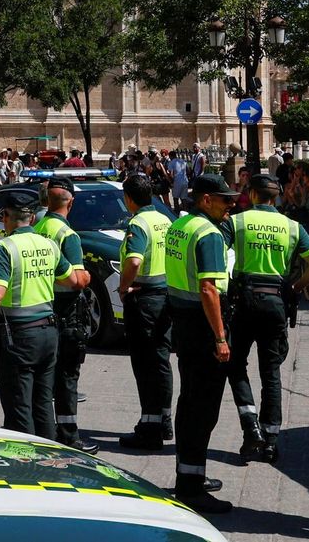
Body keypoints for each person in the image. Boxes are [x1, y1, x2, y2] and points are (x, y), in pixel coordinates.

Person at [226, 173, 309, 465]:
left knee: (235, 364)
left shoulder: (238, 221)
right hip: (276, 300)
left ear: (253, 195)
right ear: (276, 197)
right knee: (271, 372)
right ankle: (270, 442)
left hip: (244, 299)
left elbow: (219, 253)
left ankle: (250, 426)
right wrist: (293, 287)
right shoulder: (292, 227)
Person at [0, 195, 80, 437]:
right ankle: (49, 460)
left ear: (5, 218)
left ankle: (25, 466)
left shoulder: (4, 248)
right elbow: (72, 279)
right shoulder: (50, 245)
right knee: (43, 403)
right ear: (33, 218)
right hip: (48, 334)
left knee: (19, 408)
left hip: (19, 338)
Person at [165, 172, 237, 513]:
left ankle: (189, 473)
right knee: (203, 408)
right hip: (204, 325)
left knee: (189, 402)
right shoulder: (208, 234)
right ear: (206, 200)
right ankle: (191, 487)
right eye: (225, 200)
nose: (230, 205)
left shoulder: (180, 226)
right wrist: (221, 337)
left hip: (183, 321)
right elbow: (209, 288)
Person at [33, 179, 97, 452]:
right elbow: (78, 280)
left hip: (42, 306)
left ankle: (43, 429)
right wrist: (88, 275)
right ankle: (69, 435)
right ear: (70, 203)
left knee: (46, 373)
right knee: (68, 375)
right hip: (66, 310)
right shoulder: (67, 234)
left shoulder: (38, 227)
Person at [116, 172, 175, 449]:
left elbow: (135, 261)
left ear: (128, 199)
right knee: (161, 361)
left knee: (144, 364)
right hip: (165, 296)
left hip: (144, 298)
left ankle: (149, 428)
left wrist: (123, 287)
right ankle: (164, 420)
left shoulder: (138, 224)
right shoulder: (164, 219)